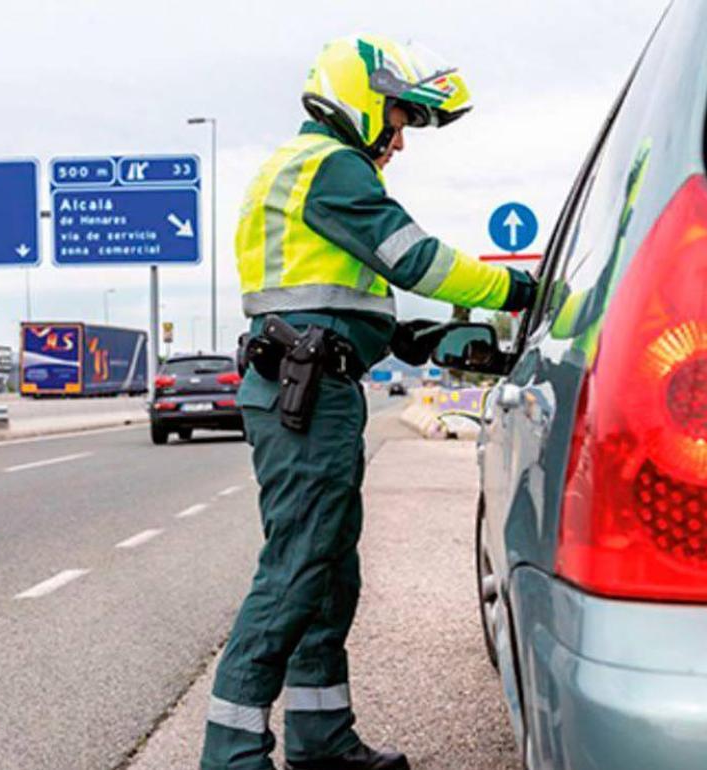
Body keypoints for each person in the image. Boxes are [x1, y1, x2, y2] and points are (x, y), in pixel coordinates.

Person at [200, 34, 536, 770]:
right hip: (307, 391)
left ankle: (320, 737)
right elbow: (415, 257)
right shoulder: (333, 168)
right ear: (360, 97)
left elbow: (332, 295)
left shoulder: (298, 169)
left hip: (309, 377)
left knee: (326, 566)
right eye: (398, 116)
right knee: (297, 564)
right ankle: (230, 751)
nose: (401, 138)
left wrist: (398, 337)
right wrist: (514, 288)